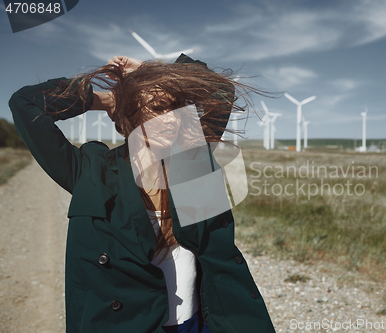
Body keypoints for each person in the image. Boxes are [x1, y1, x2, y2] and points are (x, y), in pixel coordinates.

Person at [9, 54, 276, 333]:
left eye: (178, 108)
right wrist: (110, 99)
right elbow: (26, 104)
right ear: (132, 111)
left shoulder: (193, 164)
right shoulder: (91, 171)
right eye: (159, 107)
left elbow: (220, 90)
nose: (172, 119)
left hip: (201, 324)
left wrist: (152, 72)